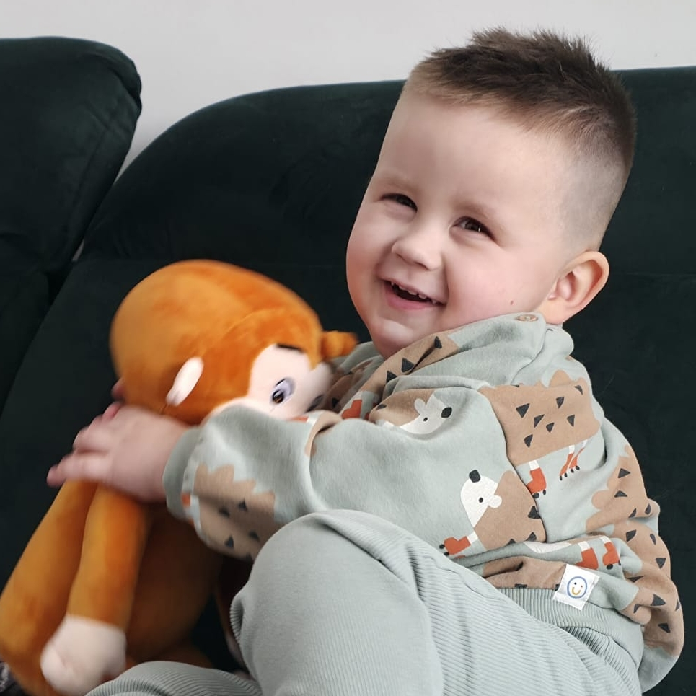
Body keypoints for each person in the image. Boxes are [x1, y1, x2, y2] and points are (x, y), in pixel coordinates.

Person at [48, 27, 683, 696]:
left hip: (552, 652)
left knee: (320, 549)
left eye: (473, 226)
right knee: (151, 688)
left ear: (564, 288)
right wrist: (186, 398)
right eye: (399, 200)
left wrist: (180, 458)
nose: (415, 245)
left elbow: (367, 489)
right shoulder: (359, 376)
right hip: (393, 663)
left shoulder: (515, 394)